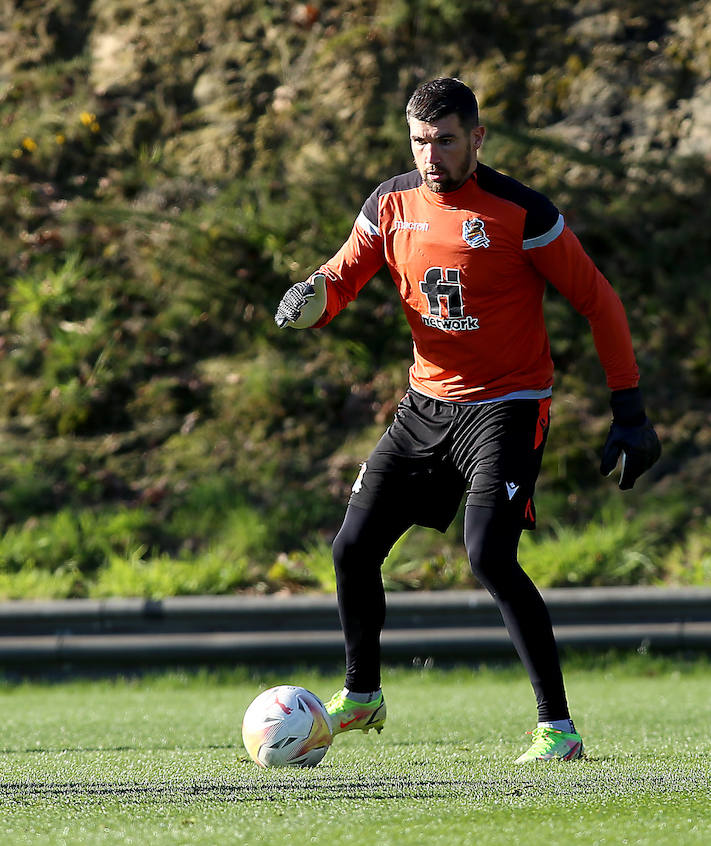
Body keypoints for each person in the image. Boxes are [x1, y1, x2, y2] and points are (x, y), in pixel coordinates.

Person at [274, 77, 660, 763]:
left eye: (446, 140)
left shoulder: (521, 211)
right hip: (426, 405)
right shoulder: (390, 203)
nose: (432, 155)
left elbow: (600, 302)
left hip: (508, 407)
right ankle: (363, 696)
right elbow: (342, 277)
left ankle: (557, 732)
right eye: (421, 140)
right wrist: (310, 298)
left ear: (477, 139)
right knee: (351, 550)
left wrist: (627, 408)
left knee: (487, 553)